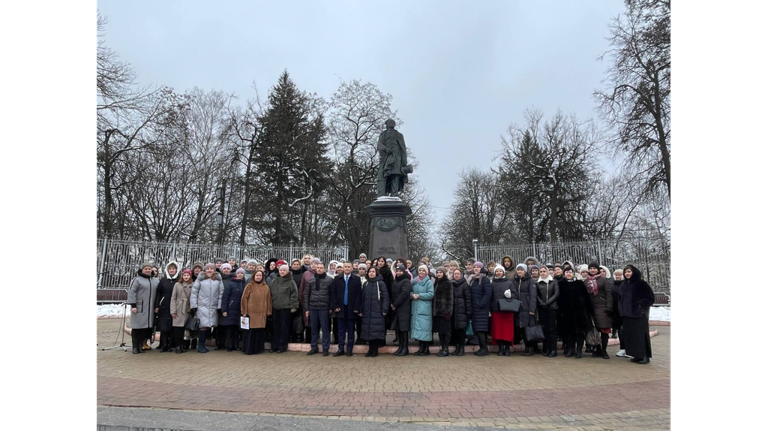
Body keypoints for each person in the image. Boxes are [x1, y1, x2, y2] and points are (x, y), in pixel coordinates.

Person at [617, 265, 655, 364]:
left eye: (629, 271)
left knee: (640, 336)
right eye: (625, 272)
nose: (627, 274)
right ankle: (636, 355)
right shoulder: (624, 284)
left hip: (639, 315)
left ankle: (644, 356)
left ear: (634, 272)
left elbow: (650, 297)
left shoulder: (641, 283)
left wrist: (641, 305)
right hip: (627, 314)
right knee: (631, 336)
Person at [330, 262, 363, 356]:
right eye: (346, 267)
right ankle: (340, 348)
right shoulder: (337, 279)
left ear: (352, 268)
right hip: (340, 308)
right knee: (341, 330)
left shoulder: (356, 279)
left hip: (352, 309)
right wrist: (335, 306)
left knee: (351, 330)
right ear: (343, 268)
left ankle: (349, 349)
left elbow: (358, 294)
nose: (347, 268)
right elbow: (333, 293)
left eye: (349, 267)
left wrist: (357, 308)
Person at [191, 264, 224, 353]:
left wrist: (219, 306)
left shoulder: (218, 280)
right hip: (202, 306)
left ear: (214, 270)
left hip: (213, 307)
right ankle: (200, 345)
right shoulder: (200, 279)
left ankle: (204, 344)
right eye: (208, 269)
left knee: (209, 326)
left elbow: (221, 294)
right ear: (205, 270)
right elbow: (194, 292)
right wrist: (193, 305)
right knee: (203, 326)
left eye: (211, 269)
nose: (209, 270)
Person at [127, 263, 160, 354]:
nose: (148, 270)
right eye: (146, 268)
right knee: (137, 327)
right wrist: (133, 305)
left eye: (149, 269)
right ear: (142, 270)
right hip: (139, 307)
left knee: (145, 328)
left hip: (150, 309)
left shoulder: (155, 281)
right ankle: (135, 347)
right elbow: (132, 292)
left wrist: (157, 306)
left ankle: (141, 345)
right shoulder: (137, 280)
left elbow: (158, 294)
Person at [304, 263, 334, 356]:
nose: (319, 269)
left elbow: (332, 295)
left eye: (321, 268)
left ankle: (325, 348)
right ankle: (314, 347)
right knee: (314, 329)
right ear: (315, 269)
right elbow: (306, 295)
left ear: (324, 269)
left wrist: (330, 307)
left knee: (325, 329)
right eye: (318, 268)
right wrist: (307, 309)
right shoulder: (311, 280)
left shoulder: (330, 280)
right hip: (313, 307)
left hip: (324, 308)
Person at [360, 267, 390, 357]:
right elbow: (362, 298)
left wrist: (385, 309)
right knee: (369, 331)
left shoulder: (380, 283)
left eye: (373, 272)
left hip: (377, 311)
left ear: (376, 273)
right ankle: (370, 349)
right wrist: (361, 310)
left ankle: (375, 350)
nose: (371, 273)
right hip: (367, 311)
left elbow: (385, 297)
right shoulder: (366, 284)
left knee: (375, 331)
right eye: (370, 272)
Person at [241, 270, 272, 355]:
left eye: (260, 276)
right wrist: (244, 311)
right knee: (251, 332)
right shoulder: (249, 286)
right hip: (251, 313)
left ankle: (258, 349)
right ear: (254, 276)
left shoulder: (266, 287)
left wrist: (268, 311)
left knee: (259, 332)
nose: (258, 277)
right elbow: (244, 299)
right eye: (257, 275)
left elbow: (268, 300)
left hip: (262, 313)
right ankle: (249, 349)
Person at [269, 265, 299, 353]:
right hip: (275, 308)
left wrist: (294, 306)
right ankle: (274, 346)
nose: (282, 272)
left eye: (284, 270)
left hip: (286, 309)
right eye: (281, 270)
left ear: (287, 271)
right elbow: (269, 294)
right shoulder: (274, 281)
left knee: (284, 328)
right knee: (275, 328)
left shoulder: (291, 282)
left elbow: (294, 295)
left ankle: (282, 346)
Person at [490, 265, 515, 356]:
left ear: (503, 272)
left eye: (500, 271)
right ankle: (500, 348)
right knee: (498, 330)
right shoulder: (492, 283)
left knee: (506, 330)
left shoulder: (509, 283)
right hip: (496, 310)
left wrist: (510, 295)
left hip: (507, 310)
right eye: (497, 271)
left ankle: (507, 348)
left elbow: (515, 295)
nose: (498, 273)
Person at [170, 269, 194, 354]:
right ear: (182, 276)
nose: (186, 277)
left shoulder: (193, 284)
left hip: (188, 308)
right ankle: (177, 346)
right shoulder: (177, 285)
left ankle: (183, 346)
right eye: (184, 275)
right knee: (177, 329)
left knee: (185, 329)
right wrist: (173, 310)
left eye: (188, 275)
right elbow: (173, 298)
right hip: (179, 308)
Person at [432, 267, 454, 357]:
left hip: (445, 312)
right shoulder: (436, 282)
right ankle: (443, 348)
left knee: (446, 331)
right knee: (440, 331)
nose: (439, 274)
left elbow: (450, 298)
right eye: (437, 272)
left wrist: (448, 311)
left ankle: (446, 349)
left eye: (440, 272)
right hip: (437, 311)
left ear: (444, 273)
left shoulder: (448, 283)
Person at [450, 269, 472, 356]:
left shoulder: (465, 285)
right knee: (454, 330)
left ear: (461, 275)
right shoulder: (451, 284)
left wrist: (469, 311)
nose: (456, 275)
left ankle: (461, 348)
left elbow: (468, 299)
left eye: (458, 274)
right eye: (455, 274)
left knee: (461, 331)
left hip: (462, 311)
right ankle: (457, 347)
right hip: (453, 311)